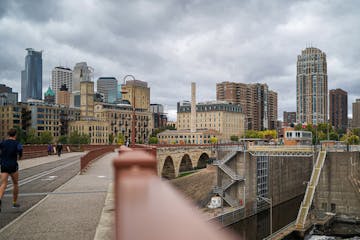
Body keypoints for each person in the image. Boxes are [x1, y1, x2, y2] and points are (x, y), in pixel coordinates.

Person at [0, 128, 23, 212]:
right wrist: (19, 157)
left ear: (8, 135)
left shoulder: (3, 143)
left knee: (3, 184)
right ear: (15, 135)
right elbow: (20, 151)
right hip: (13, 165)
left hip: (4, 165)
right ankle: (14, 202)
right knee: (15, 183)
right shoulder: (17, 143)